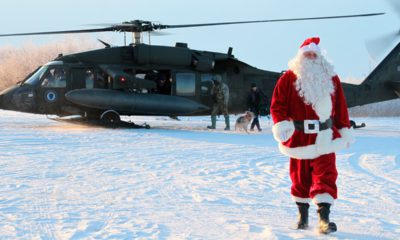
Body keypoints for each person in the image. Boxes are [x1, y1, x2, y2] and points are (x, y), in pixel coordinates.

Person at [270, 37, 354, 234]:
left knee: (326, 176)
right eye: (307, 53)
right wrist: (281, 124)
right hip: (299, 137)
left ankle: (324, 220)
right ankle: (302, 218)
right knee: (299, 178)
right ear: (300, 56)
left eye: (314, 54)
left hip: (325, 136)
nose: (310, 56)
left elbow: (340, 106)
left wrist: (344, 130)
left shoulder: (331, 78)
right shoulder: (288, 78)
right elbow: (278, 104)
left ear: (319, 56)